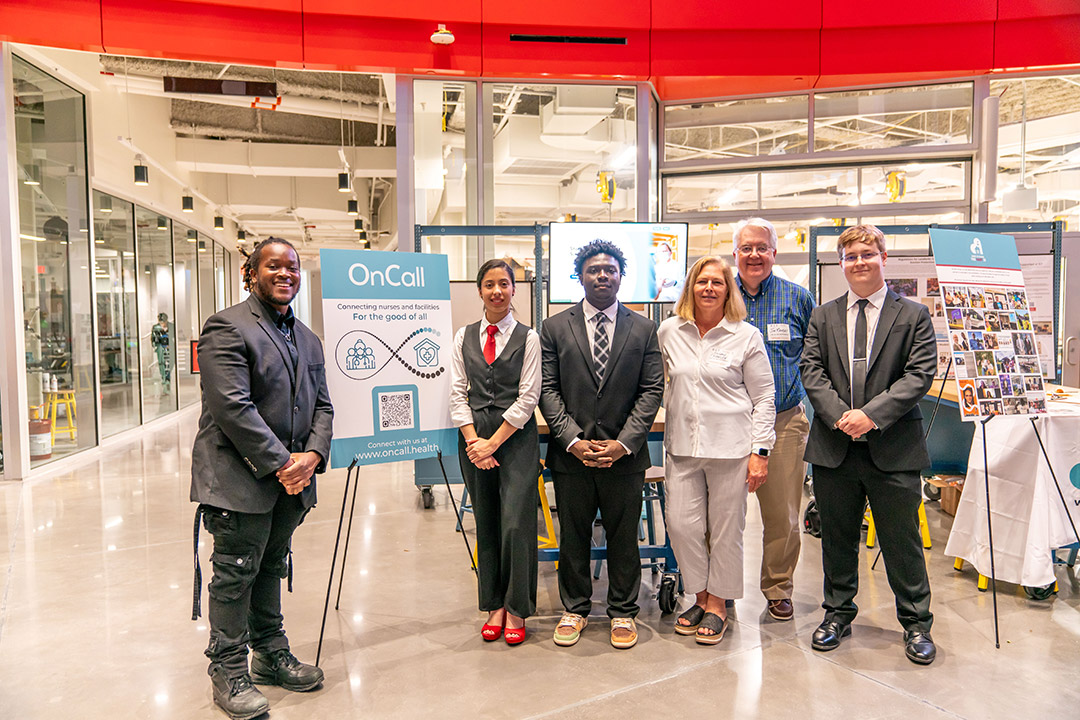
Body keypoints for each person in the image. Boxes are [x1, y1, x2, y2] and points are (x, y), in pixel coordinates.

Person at [190, 238, 333, 719]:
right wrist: (283, 463)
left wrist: (312, 455)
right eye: (274, 266)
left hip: (290, 485)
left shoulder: (309, 338)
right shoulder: (227, 328)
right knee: (234, 574)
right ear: (251, 273)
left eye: (292, 267)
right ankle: (228, 669)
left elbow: (324, 407)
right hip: (239, 479)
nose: (286, 273)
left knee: (272, 566)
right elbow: (233, 408)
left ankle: (270, 654)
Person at [800, 224, 938, 665]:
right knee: (837, 540)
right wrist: (843, 416)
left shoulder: (912, 315)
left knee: (902, 541)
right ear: (840, 264)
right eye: (850, 256)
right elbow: (811, 370)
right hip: (833, 446)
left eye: (866, 254)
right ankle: (837, 614)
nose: (859, 262)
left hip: (893, 448)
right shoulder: (823, 315)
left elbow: (918, 375)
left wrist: (870, 416)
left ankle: (917, 625)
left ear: (884, 257)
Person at [539, 239, 664, 650]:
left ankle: (623, 611)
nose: (603, 276)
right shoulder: (555, 327)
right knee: (572, 535)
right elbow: (548, 390)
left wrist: (624, 443)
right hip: (570, 456)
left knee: (623, 536)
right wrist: (572, 439)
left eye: (610, 269)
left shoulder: (644, 328)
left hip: (623, 459)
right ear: (580, 276)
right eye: (594, 270)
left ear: (621, 276)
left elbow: (651, 390)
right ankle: (574, 609)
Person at [659, 257, 775, 644]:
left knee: (727, 531)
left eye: (718, 283)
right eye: (702, 281)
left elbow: (764, 397)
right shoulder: (669, 332)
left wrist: (760, 451)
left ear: (729, 289)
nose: (709, 288)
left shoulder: (745, 335)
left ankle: (717, 604)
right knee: (681, 525)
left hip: (731, 449)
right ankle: (699, 593)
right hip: (682, 448)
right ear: (691, 287)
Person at [449, 259, 541, 646]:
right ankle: (494, 605)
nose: (497, 291)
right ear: (480, 290)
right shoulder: (463, 336)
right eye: (489, 284)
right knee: (485, 520)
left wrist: (492, 442)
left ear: (514, 290)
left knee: (517, 523)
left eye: (504, 284)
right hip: (474, 440)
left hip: (514, 438)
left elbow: (528, 397)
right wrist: (474, 441)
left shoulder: (529, 337)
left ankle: (517, 606)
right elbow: (457, 392)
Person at [731, 218, 815, 621]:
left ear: (774, 252)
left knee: (782, 515)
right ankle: (720, 589)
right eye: (747, 247)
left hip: (783, 423)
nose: (754, 255)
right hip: (727, 424)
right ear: (736, 253)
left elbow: (815, 361)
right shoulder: (716, 294)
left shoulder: (798, 298)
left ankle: (778, 587)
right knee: (721, 513)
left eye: (762, 247)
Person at [152, 312, 172, 394]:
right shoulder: (156, 327)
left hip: (168, 348)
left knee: (168, 364)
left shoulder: (170, 327)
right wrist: (155, 345)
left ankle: (167, 379)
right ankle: (163, 378)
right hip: (160, 347)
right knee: (161, 363)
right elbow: (153, 338)